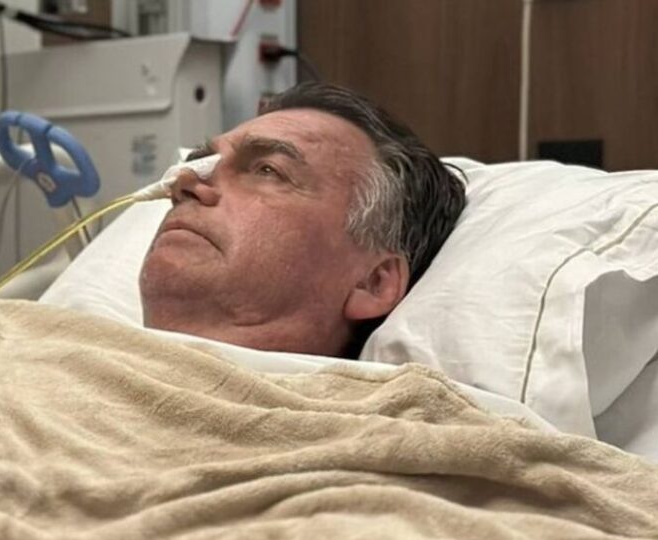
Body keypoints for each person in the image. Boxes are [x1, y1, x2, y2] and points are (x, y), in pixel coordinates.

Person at [139, 82, 466, 358]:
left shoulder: (406, 416)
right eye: (200, 164)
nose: (184, 182)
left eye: (268, 170)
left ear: (373, 282)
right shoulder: (105, 360)